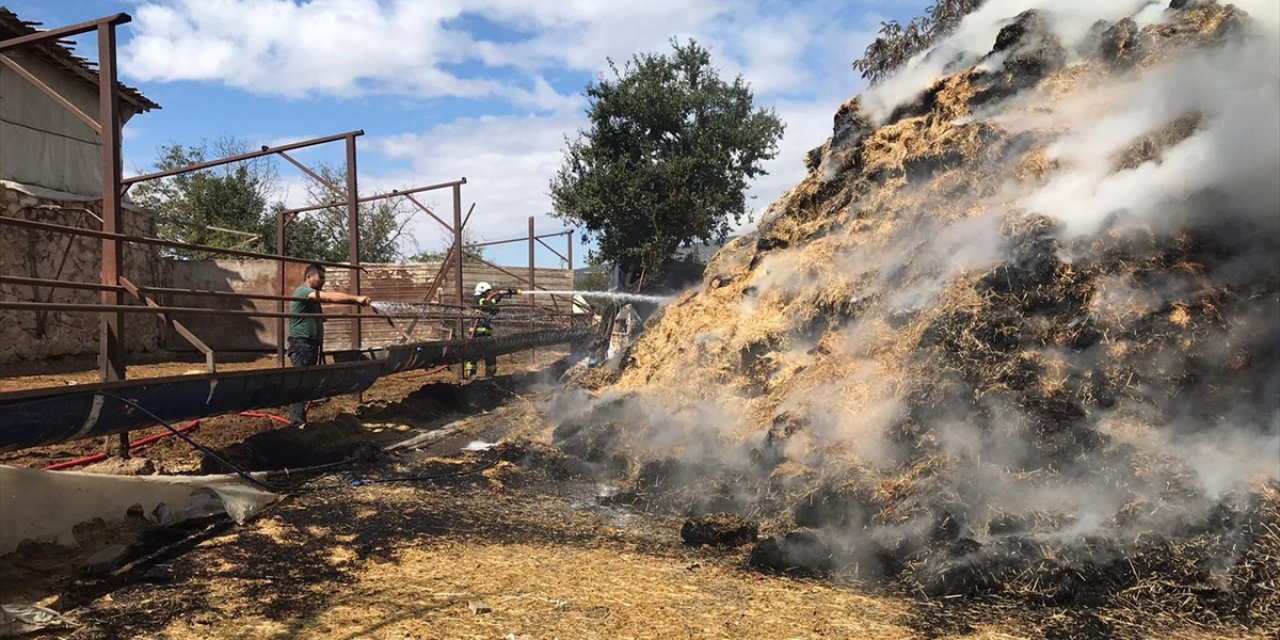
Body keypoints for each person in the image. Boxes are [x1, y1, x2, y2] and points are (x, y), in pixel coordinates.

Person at [287, 263, 372, 427]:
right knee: (299, 384)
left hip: (310, 345)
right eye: (321, 277)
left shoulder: (311, 300)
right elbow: (328, 297)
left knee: (305, 383)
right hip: (301, 345)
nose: (323, 281)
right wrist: (356, 299)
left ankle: (301, 422)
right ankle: (297, 424)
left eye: (324, 277)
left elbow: (317, 316)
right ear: (309, 277)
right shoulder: (304, 292)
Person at [464, 281, 522, 380]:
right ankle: (471, 377)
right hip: (477, 332)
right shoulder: (477, 299)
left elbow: (492, 302)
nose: (488, 294)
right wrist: (496, 301)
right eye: (487, 292)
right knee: (473, 354)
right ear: (482, 291)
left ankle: (489, 377)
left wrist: (501, 295)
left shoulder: (484, 299)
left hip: (486, 332)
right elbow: (488, 303)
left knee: (490, 353)